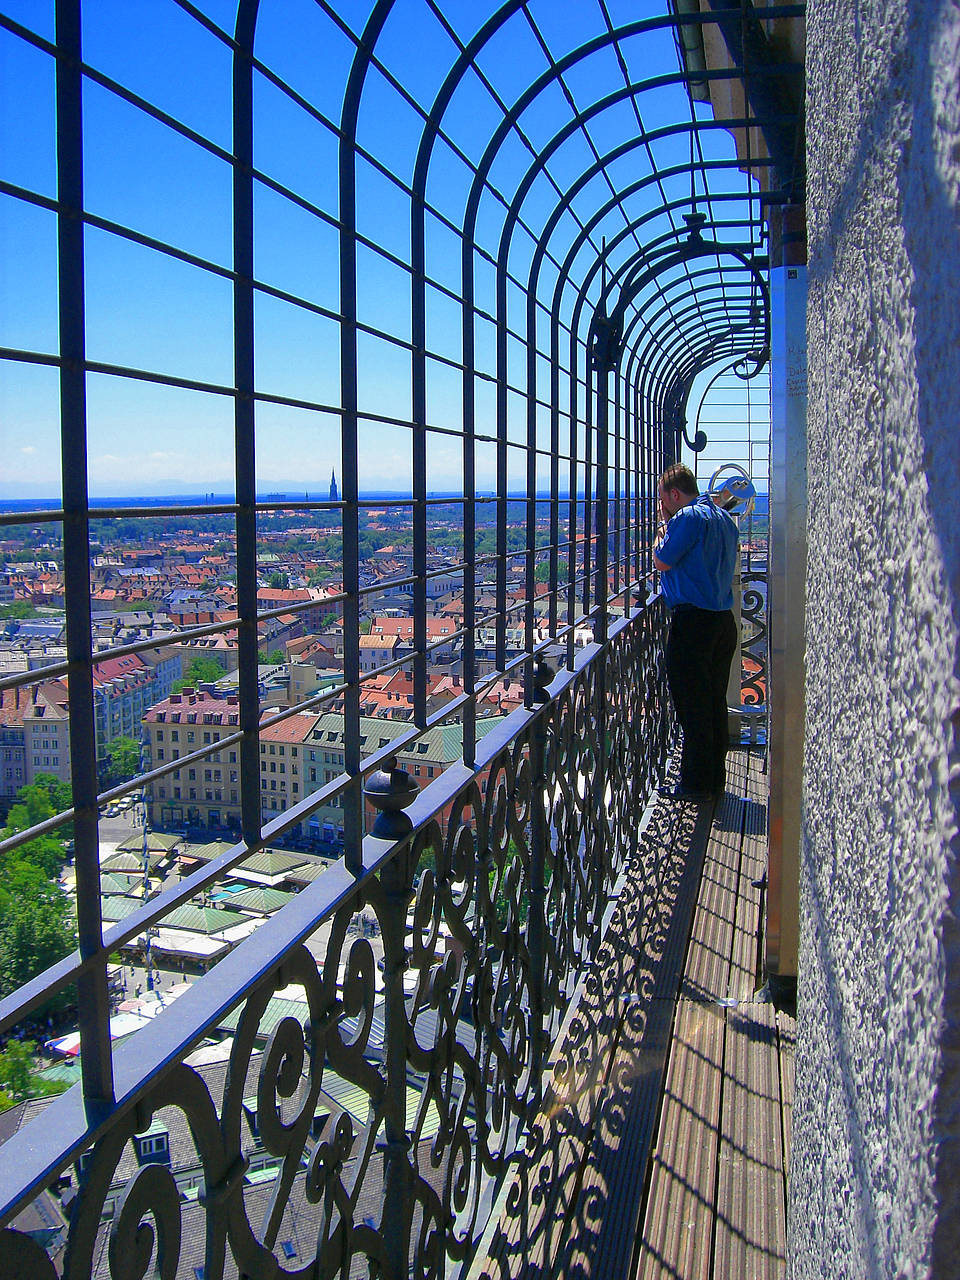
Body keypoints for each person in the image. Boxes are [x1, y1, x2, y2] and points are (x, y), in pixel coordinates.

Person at [653, 463, 739, 803]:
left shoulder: (686, 518)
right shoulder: (722, 518)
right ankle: (714, 777)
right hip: (722, 620)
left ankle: (694, 784)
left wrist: (663, 528)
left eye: (664, 499)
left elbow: (662, 560)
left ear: (674, 494)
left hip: (694, 623)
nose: (664, 506)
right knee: (714, 702)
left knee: (692, 705)